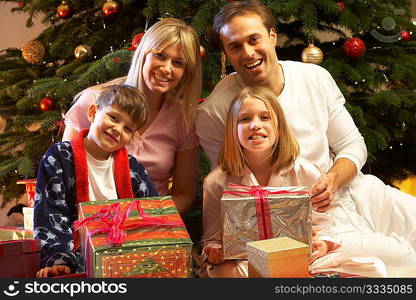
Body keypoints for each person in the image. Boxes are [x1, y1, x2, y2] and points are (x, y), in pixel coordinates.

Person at [196, 0, 416, 275]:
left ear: (272, 35)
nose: (248, 53)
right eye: (235, 46)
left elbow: (352, 144)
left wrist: (332, 181)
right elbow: (234, 184)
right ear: (226, 54)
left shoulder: (315, 78)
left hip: (346, 189)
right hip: (296, 218)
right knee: (391, 263)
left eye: (254, 39)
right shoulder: (215, 111)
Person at [198, 86, 388, 278]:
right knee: (230, 273)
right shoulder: (217, 182)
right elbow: (211, 238)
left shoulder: (305, 172)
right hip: (246, 263)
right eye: (245, 119)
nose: (255, 125)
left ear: (279, 127)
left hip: (302, 261)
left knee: (373, 268)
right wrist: (214, 251)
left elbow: (324, 226)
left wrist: (322, 245)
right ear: (232, 130)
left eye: (265, 117)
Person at [62, 18, 202, 218]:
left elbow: (184, 195)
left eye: (178, 62)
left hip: (150, 228)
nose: (166, 68)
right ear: (143, 54)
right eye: (160, 55)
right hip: (90, 223)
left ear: (186, 71)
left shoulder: (184, 118)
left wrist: (142, 218)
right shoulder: (95, 101)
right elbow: (64, 173)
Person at [34, 84, 159, 278]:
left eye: (127, 128)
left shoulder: (133, 168)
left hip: (124, 256)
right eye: (114, 118)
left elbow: (151, 212)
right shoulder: (58, 157)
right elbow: (51, 213)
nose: (117, 129)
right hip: (77, 256)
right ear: (93, 112)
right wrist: (60, 261)